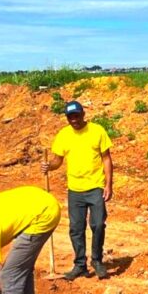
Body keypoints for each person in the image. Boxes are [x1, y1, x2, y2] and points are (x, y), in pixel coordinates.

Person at [41, 100, 113, 281]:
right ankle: (80, 265)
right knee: (76, 228)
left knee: (97, 224)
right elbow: (58, 160)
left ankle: (97, 260)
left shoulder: (97, 131)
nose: (74, 120)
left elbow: (106, 159)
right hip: (75, 189)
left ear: (83, 114)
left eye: (76, 115)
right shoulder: (64, 135)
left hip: (95, 186)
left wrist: (109, 184)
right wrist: (49, 166)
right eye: (70, 117)